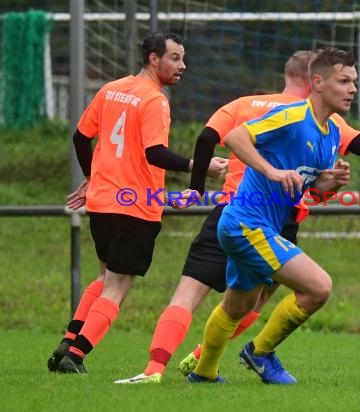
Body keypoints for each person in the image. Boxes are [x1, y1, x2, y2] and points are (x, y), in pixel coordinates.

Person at [114, 50, 360, 384]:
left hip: (257, 226)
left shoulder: (330, 133)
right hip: (245, 224)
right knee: (318, 288)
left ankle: (204, 372)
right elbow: (236, 137)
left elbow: (311, 193)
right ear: (317, 82)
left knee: (238, 307)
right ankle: (259, 353)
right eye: (344, 81)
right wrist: (271, 171)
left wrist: (333, 183)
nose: (352, 89)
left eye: (354, 82)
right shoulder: (293, 116)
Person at [46, 30, 226, 374]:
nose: (182, 65)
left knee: (104, 277)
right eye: (175, 58)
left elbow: (81, 137)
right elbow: (155, 153)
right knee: (118, 285)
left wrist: (93, 177)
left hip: (102, 203)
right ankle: (77, 355)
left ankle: (69, 341)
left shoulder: (111, 89)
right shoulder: (154, 100)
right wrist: (197, 166)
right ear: (153, 58)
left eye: (183, 58)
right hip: (136, 204)